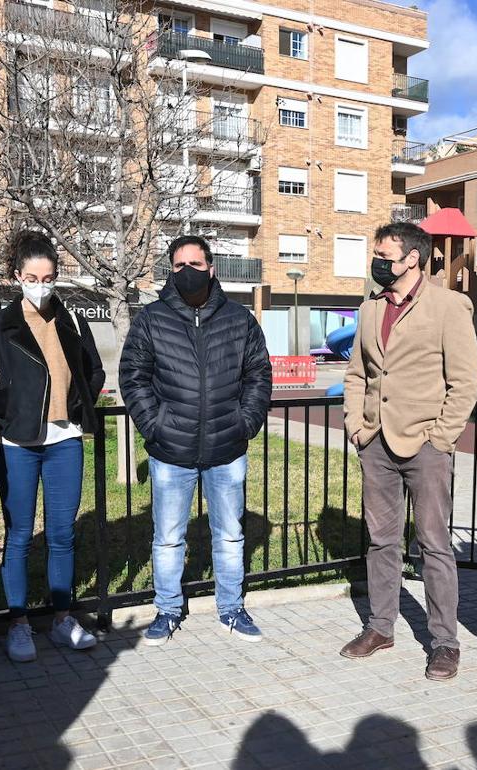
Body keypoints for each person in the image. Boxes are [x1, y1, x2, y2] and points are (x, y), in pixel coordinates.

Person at [338, 221, 477, 681]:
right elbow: (358, 374)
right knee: (382, 541)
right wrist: (355, 425)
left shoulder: (449, 306)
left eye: (385, 254)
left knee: (434, 545)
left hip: (425, 445)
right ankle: (380, 627)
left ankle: (444, 642)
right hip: (375, 442)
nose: (378, 261)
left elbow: (465, 382)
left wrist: (440, 437)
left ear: (412, 258)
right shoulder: (368, 309)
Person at [119, 234, 272, 646]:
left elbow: (258, 374)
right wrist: (155, 425)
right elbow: (133, 378)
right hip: (171, 450)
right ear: (171, 270)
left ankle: (232, 608)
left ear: (212, 268)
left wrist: (246, 422)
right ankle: (167, 610)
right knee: (169, 536)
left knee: (229, 534)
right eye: (180, 265)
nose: (188, 272)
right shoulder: (151, 319)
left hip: (227, 447)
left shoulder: (239, 320)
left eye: (196, 264)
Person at [0, 231, 106, 663]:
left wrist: (83, 403)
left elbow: (94, 370)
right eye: (32, 276)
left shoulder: (71, 320)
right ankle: (18, 623)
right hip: (18, 443)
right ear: (17, 276)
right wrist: (6, 407)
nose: (41, 284)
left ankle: (63, 618)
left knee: (63, 535)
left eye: (48, 276)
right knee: (20, 534)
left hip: (65, 439)